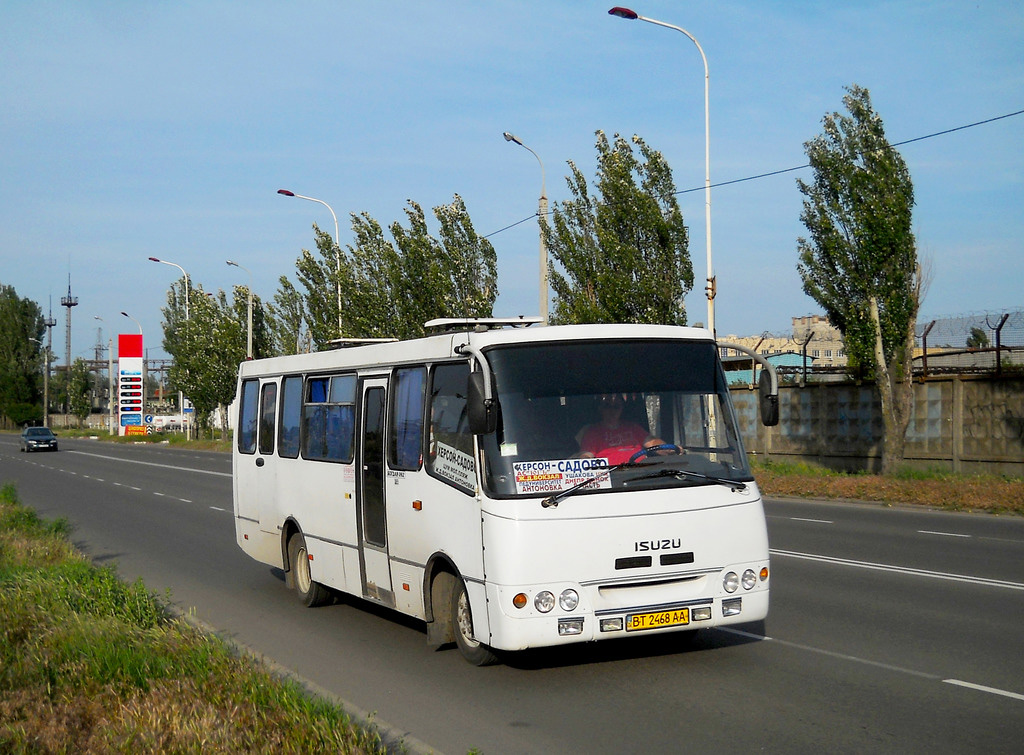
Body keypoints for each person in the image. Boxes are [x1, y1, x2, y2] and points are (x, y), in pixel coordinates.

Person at [576, 393, 668, 464]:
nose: (612, 411)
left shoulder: (633, 427)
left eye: (616, 407)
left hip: (642, 474)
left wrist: (669, 449)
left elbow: (652, 443)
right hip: (611, 478)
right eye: (607, 406)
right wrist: (584, 460)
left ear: (622, 409)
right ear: (600, 409)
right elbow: (586, 455)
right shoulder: (592, 432)